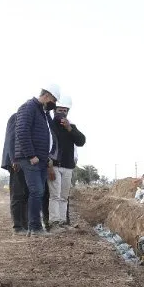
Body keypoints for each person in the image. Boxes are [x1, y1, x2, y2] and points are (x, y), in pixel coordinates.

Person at [13, 84, 61, 236]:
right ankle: (34, 228)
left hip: (41, 159)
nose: (54, 103)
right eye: (53, 99)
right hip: (31, 159)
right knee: (37, 191)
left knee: (38, 193)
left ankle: (33, 227)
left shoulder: (43, 113)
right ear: (46, 96)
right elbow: (21, 131)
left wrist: (48, 155)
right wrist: (31, 155)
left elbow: (49, 134)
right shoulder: (28, 107)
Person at [48, 95, 86, 227]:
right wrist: (49, 165)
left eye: (65, 110)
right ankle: (54, 221)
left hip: (68, 166)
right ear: (54, 110)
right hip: (54, 166)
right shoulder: (50, 126)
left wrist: (69, 129)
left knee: (64, 196)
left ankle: (63, 221)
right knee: (55, 195)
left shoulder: (71, 127)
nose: (62, 113)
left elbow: (81, 141)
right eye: (60, 110)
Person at [2, 111, 29, 234]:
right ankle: (17, 226)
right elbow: (11, 138)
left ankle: (25, 224)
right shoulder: (17, 117)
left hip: (27, 161)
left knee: (26, 194)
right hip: (17, 161)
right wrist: (14, 159)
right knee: (17, 194)